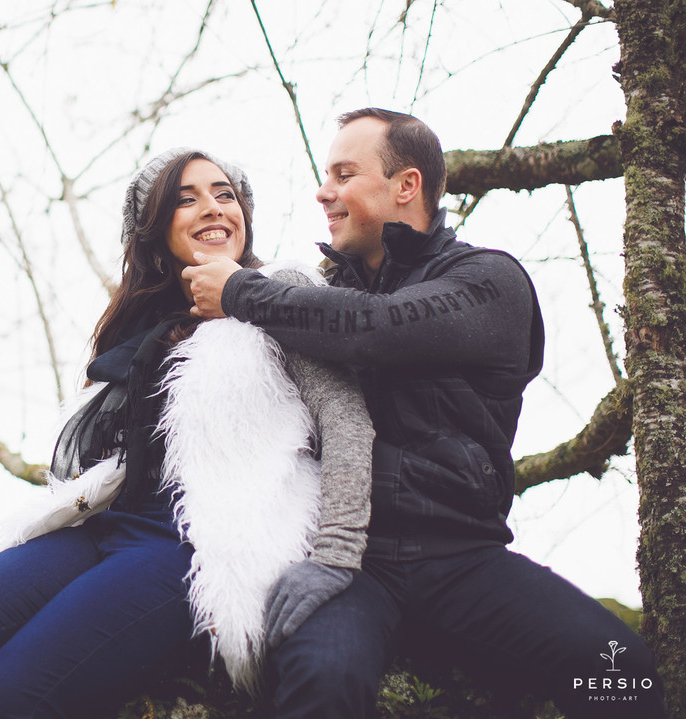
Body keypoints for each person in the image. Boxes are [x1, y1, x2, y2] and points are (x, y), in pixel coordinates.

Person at [184, 108, 667, 718]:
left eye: (343, 173)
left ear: (406, 186)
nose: (322, 191)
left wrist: (240, 290)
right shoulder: (317, 294)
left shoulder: (489, 282)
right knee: (323, 680)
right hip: (349, 565)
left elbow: (373, 330)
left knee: (623, 672)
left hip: (464, 562)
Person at [0, 148, 375, 718]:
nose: (213, 208)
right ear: (153, 230)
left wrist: (334, 556)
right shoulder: (144, 327)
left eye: (225, 194)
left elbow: (348, 423)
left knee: (4, 702)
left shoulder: (280, 291)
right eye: (186, 198)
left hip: (186, 547)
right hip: (104, 528)